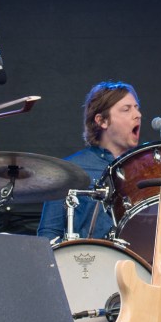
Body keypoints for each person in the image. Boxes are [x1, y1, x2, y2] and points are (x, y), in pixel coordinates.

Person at [37, 81, 142, 241]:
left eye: (137, 107)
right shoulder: (68, 171)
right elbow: (48, 236)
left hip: (136, 263)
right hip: (86, 263)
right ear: (102, 121)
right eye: (126, 109)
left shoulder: (145, 171)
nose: (137, 115)